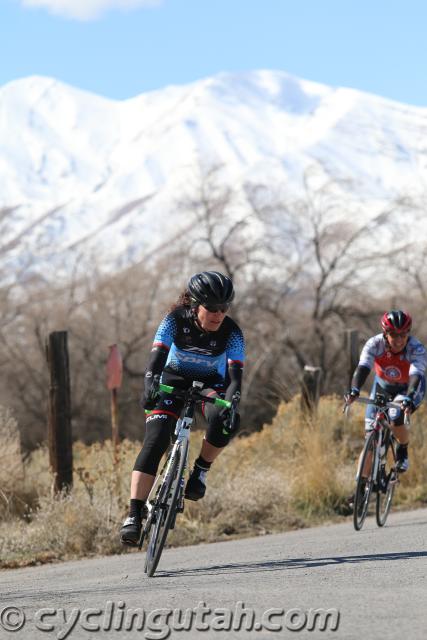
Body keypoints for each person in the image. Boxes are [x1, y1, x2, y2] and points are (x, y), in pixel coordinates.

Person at [120, 271, 245, 545]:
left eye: (224, 308)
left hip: (211, 385)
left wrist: (233, 402)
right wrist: (150, 385)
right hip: (172, 380)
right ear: (195, 304)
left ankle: (200, 469)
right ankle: (133, 514)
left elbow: (235, 378)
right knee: (155, 440)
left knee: (228, 420)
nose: (218, 314)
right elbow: (155, 361)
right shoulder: (175, 319)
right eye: (212, 308)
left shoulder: (232, 332)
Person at [346, 310, 426, 476]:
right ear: (385, 333)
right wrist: (354, 389)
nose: (398, 340)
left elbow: (416, 374)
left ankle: (402, 450)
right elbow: (363, 368)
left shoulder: (416, 348)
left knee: (395, 413)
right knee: (370, 436)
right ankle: (360, 491)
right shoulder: (374, 344)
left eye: (403, 335)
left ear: (408, 334)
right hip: (382, 386)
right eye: (393, 334)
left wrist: (409, 398)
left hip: (409, 387)